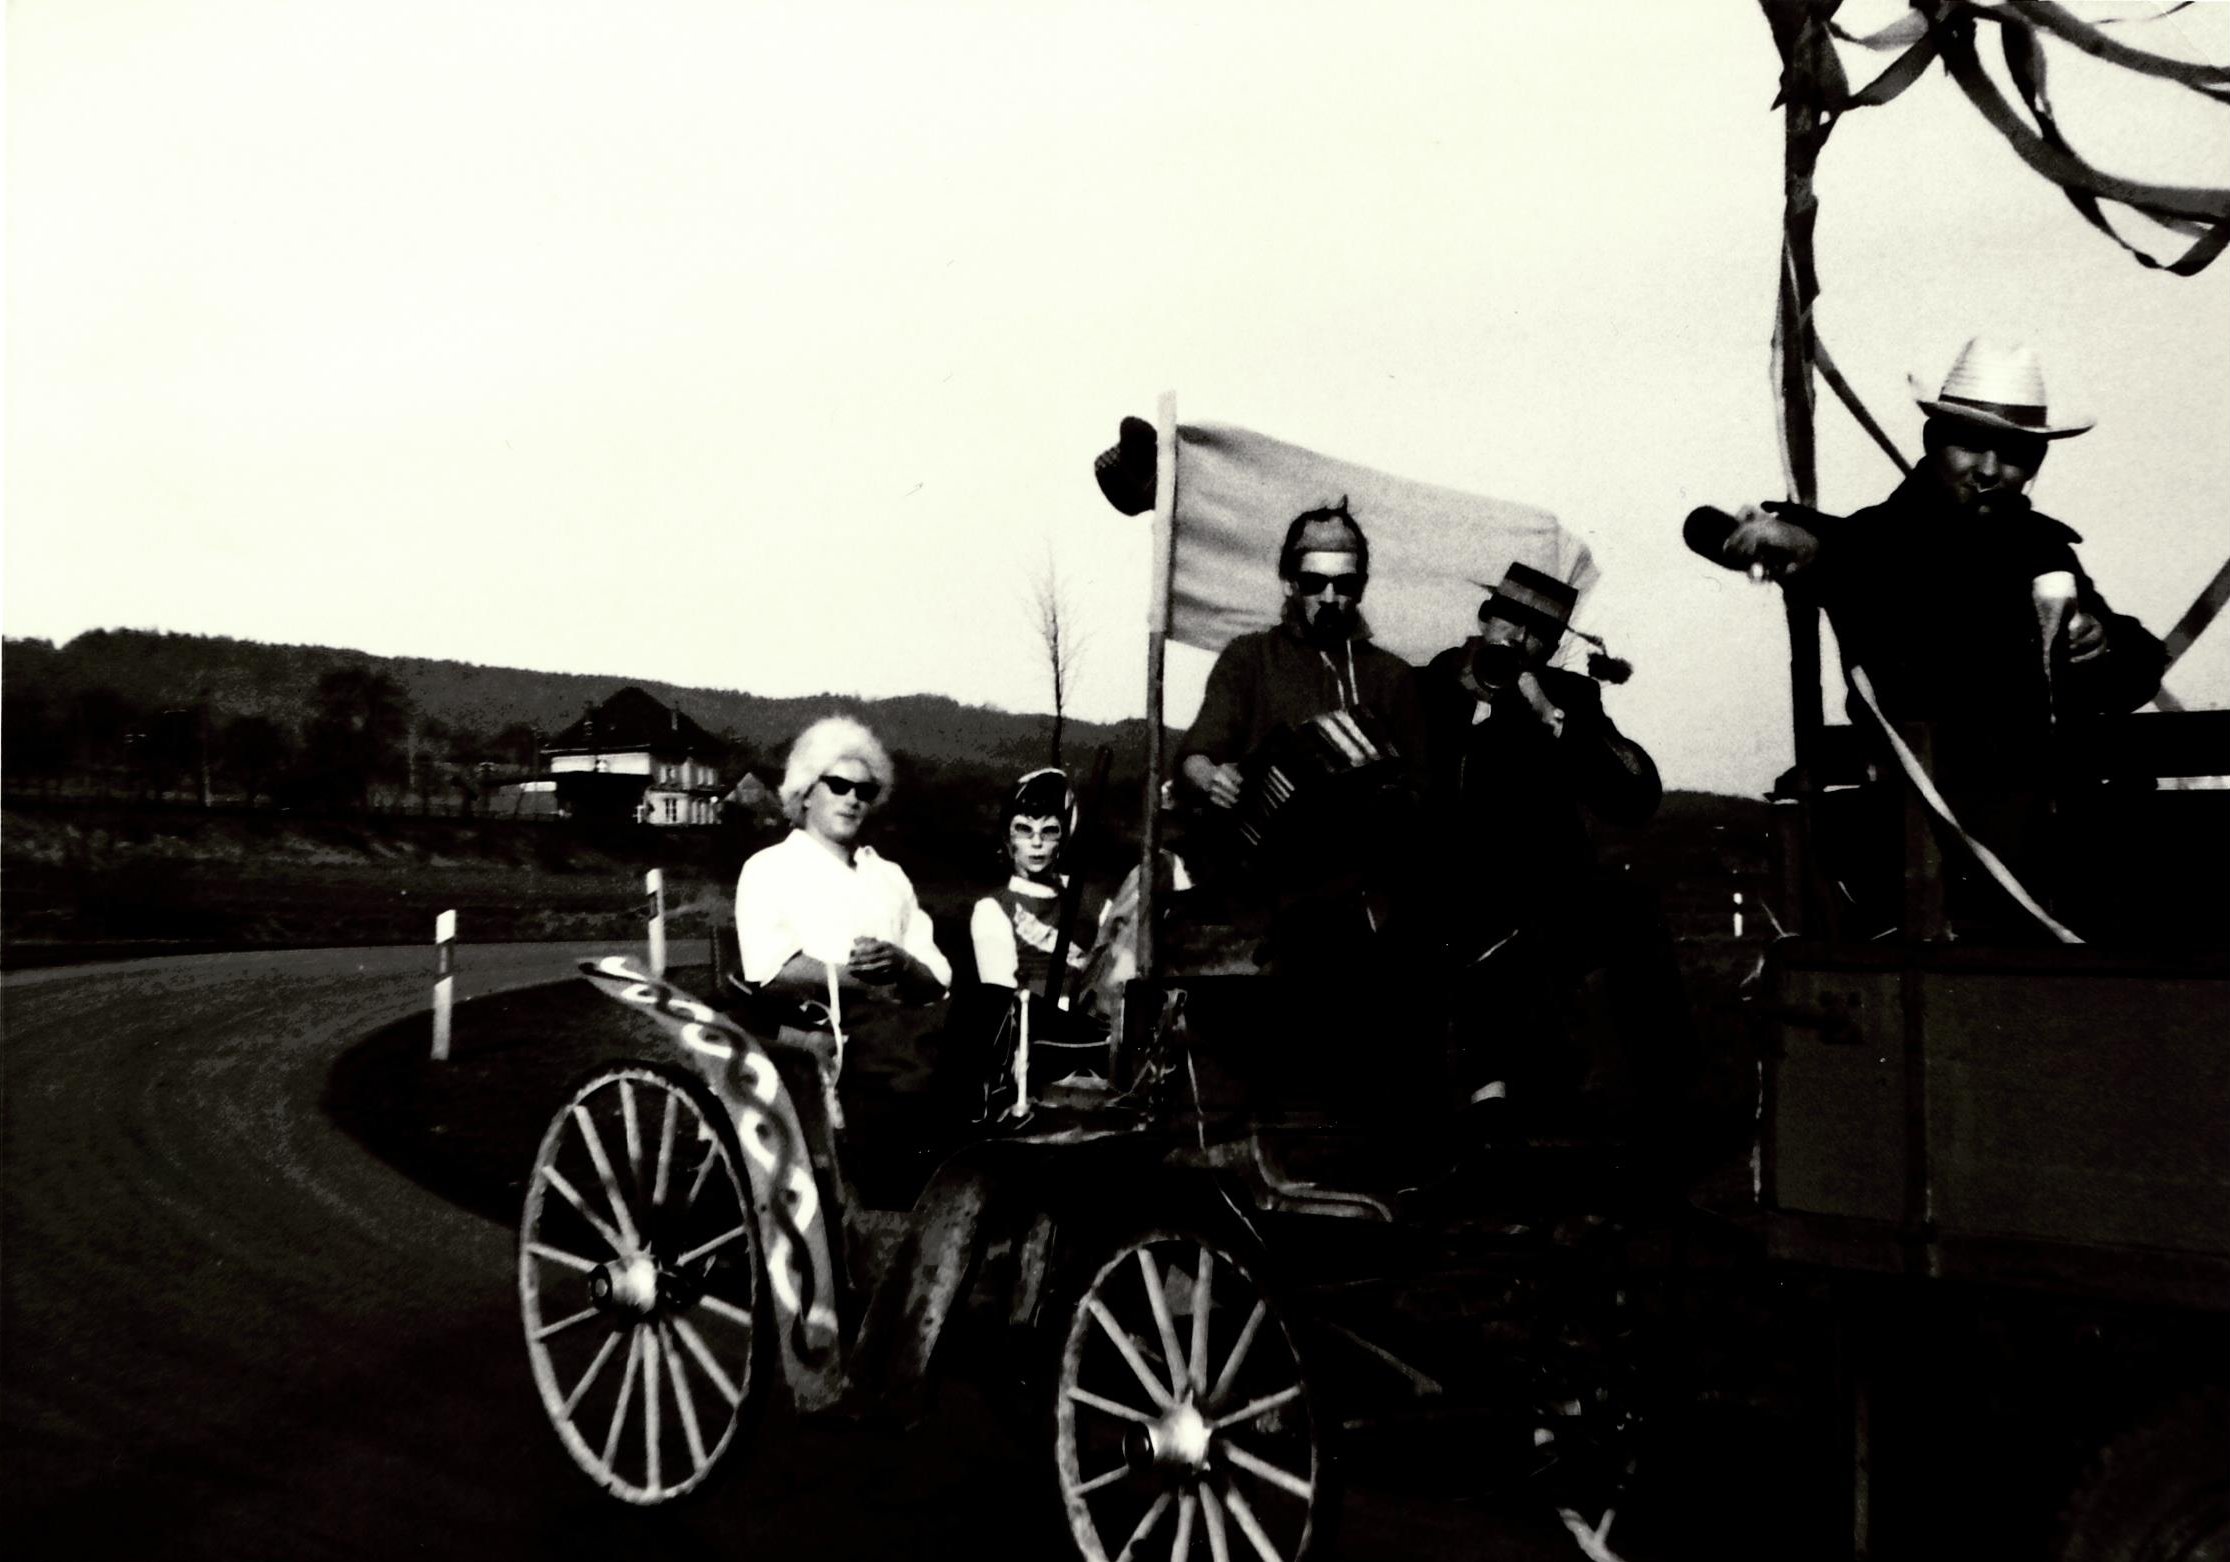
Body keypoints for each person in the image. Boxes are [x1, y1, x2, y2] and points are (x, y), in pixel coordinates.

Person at [1704, 337, 2167, 924]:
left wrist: (2103, 645)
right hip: (1929, 844)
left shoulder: (2042, 549)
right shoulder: (1878, 541)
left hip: (2058, 848)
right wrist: (1795, 541)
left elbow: (2137, 671)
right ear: (1932, 441)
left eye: (2014, 454)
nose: (1990, 471)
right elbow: (1838, 551)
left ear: (2036, 463)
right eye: (1970, 445)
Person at [1419, 563, 1687, 1131]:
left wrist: (1551, 718)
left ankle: (1664, 1117)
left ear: (1553, 645)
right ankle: (1485, 1101)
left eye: (1538, 632)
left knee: (1631, 912)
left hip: (1544, 898)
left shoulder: (1570, 696)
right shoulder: (1425, 684)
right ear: (1485, 618)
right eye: (1510, 620)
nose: (1518, 638)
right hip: (1443, 889)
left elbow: (1636, 797)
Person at [1173, 499, 1429, 967]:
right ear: (1289, 582)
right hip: (1263, 905)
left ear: (1361, 587)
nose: (1329, 598)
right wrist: (1211, 777)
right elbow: (1198, 754)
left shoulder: (1392, 677)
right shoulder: (1249, 659)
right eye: (1314, 583)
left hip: (1360, 911)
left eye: (1344, 584)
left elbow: (1422, 793)